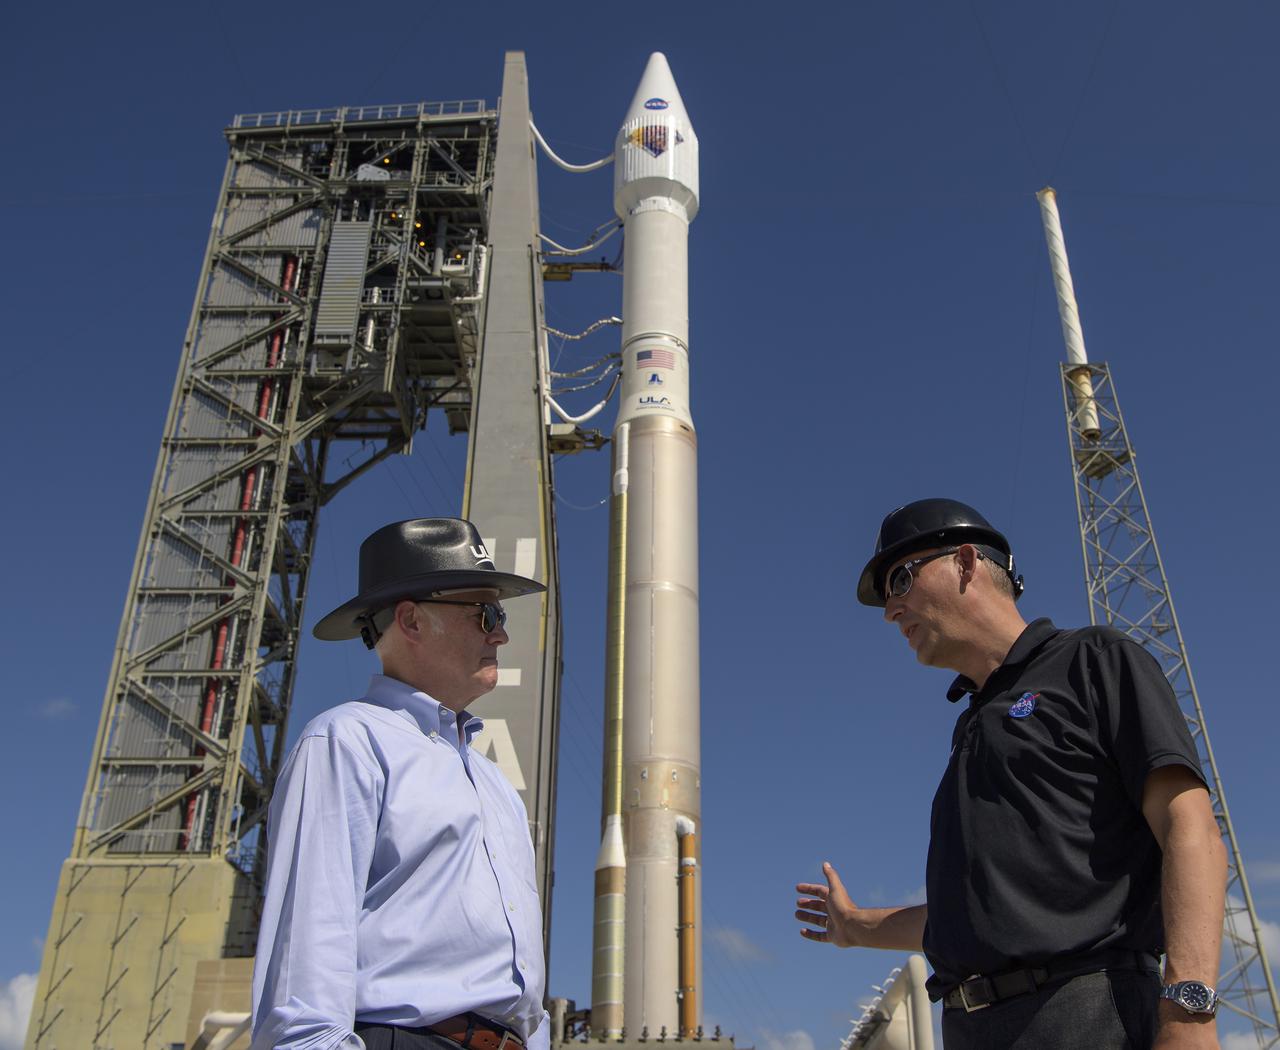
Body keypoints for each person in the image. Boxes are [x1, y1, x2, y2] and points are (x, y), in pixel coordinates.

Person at [793, 499, 1226, 1050]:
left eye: (900, 579)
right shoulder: (971, 725)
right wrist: (855, 927)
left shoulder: (1093, 662)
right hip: (971, 1028)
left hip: (1085, 1015)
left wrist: (1189, 1012)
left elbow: (1191, 830)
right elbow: (979, 916)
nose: (890, 610)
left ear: (967, 563)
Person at [252, 517, 550, 1050]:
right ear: (411, 620)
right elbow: (305, 967)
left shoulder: (492, 781)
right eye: (486, 614)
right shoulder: (346, 742)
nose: (501, 633)